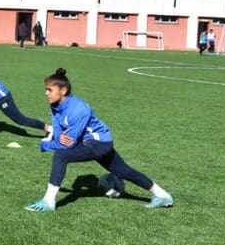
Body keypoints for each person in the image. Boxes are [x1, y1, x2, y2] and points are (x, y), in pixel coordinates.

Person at [25, 68, 174, 212]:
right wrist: (57, 139)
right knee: (124, 171)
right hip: (90, 142)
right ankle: (163, 196)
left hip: (99, 142)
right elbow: (58, 133)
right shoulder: (55, 106)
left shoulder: (78, 108)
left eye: (49, 90)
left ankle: (48, 202)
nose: (46, 93)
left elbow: (69, 142)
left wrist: (44, 145)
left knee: (60, 156)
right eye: (46, 89)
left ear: (63, 91)